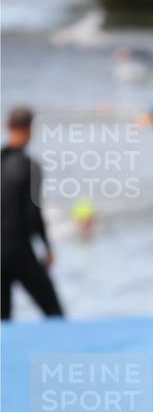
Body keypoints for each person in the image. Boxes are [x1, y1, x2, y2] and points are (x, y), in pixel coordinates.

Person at [1, 106, 64, 321]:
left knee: (3, 321)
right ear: (30, 128)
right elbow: (33, 214)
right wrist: (47, 247)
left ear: (7, 127)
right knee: (54, 314)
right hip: (20, 252)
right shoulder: (30, 166)